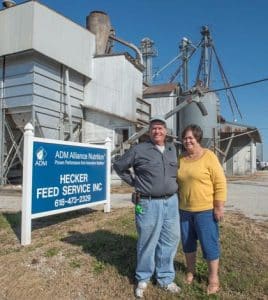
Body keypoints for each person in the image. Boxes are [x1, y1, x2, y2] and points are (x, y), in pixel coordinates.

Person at [113, 116, 181, 298]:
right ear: (149, 132)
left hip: (172, 202)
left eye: (160, 128)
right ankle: (143, 277)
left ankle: (165, 277)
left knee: (170, 240)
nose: (157, 131)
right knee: (147, 240)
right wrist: (134, 182)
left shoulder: (171, 149)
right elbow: (119, 166)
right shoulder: (139, 149)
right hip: (148, 202)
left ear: (166, 132)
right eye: (154, 129)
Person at [177, 124, 227, 295]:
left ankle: (213, 278)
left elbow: (220, 182)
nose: (187, 141)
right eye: (185, 138)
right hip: (184, 210)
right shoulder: (181, 158)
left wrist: (218, 206)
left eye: (190, 137)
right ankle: (190, 271)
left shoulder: (209, 156)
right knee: (188, 244)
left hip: (205, 210)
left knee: (209, 244)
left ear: (197, 138)